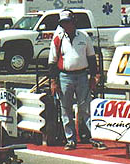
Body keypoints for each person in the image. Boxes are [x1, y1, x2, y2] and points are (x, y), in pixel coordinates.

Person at [48, 10, 107, 150]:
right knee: (65, 109)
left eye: (67, 22)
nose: (65, 25)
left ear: (73, 22)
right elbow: (52, 61)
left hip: (82, 76)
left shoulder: (84, 37)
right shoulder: (58, 38)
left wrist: (94, 76)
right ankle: (70, 139)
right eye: (62, 23)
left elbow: (92, 58)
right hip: (64, 77)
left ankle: (95, 137)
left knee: (85, 108)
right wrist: (53, 81)